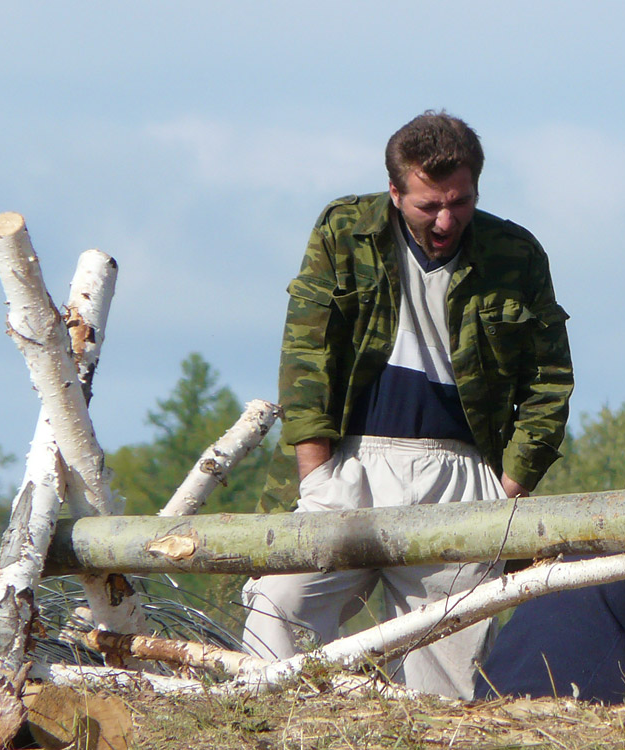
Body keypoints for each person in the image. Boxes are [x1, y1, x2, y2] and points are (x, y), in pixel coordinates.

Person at [241, 111, 573, 700]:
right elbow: (307, 354)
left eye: (461, 202)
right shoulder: (344, 231)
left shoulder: (515, 254)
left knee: (444, 683)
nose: (446, 219)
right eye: (428, 205)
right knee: (276, 618)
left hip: (464, 474)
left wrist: (507, 489)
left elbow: (549, 382)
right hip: (351, 462)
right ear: (395, 191)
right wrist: (317, 473)